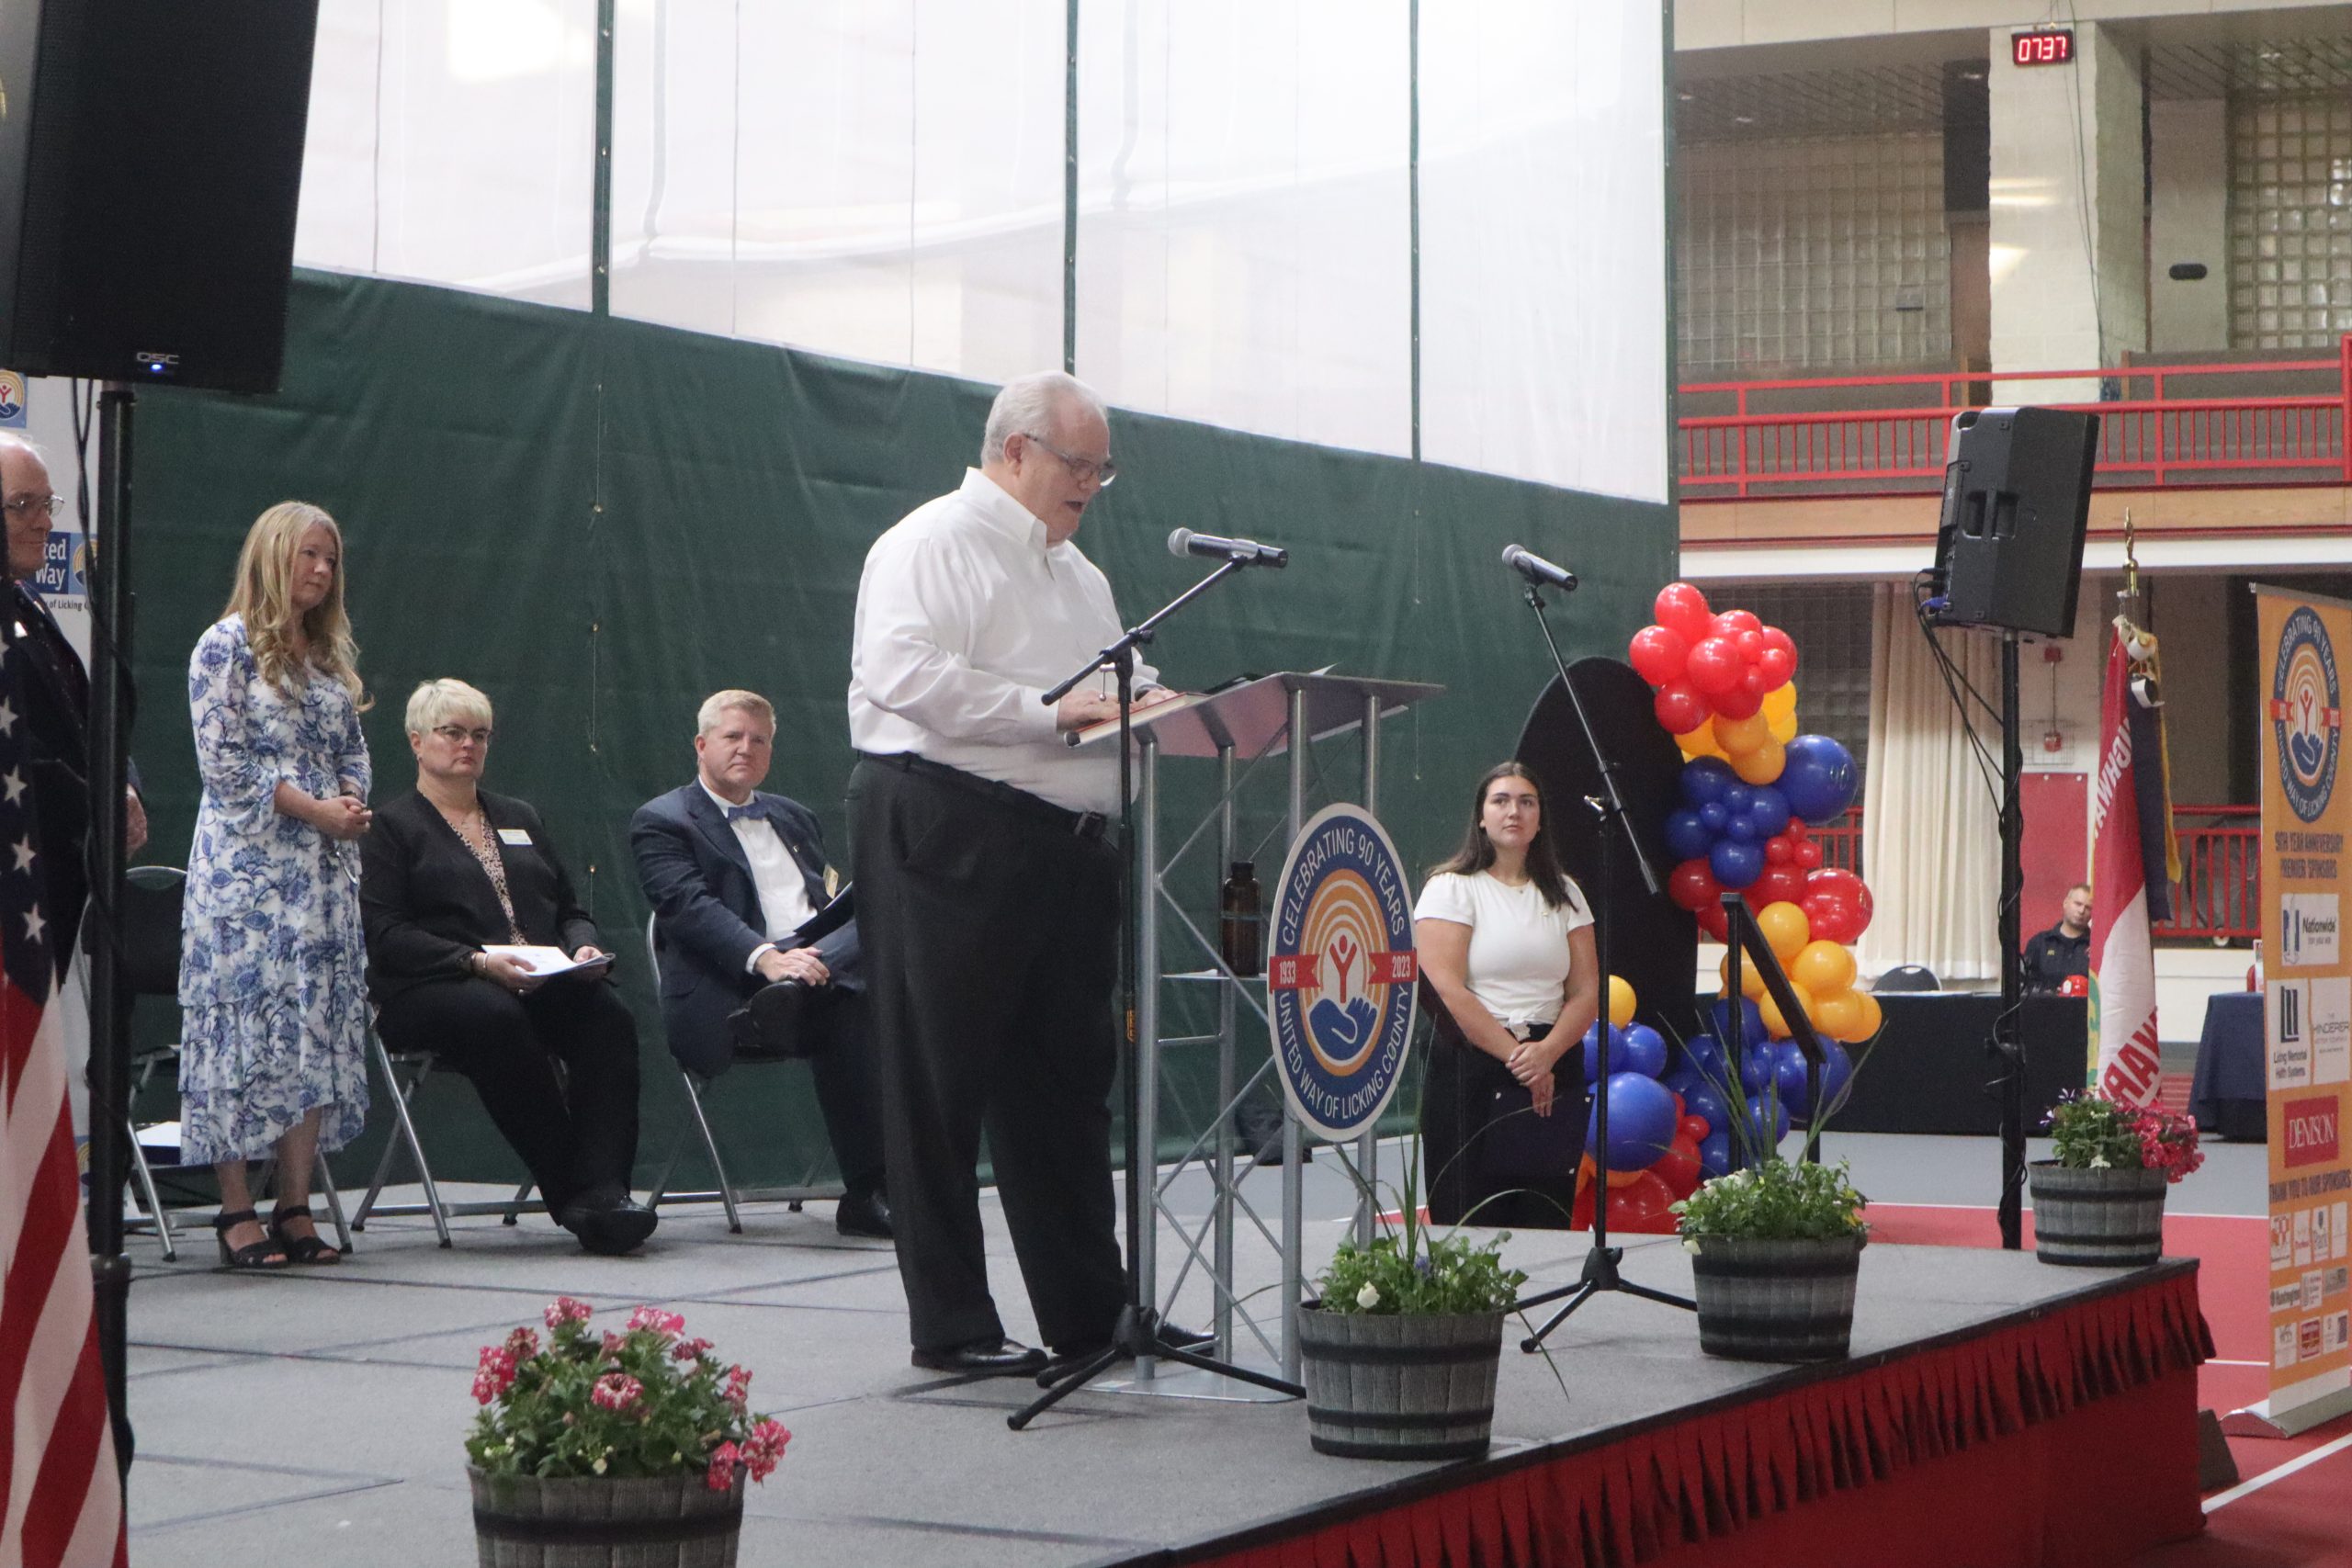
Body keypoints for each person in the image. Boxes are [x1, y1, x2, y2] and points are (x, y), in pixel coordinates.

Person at [847, 369, 1205, 1379]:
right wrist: (1048, 713)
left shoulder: (1081, 577)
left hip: (1070, 849)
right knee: (938, 1081)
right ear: (1014, 451)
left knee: (1065, 1088)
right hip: (950, 826)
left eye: (1103, 468)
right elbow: (899, 675)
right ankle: (952, 1324)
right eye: (1078, 463)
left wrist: (1159, 708)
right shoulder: (929, 542)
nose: (1091, 483)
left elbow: (1107, 693)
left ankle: (1090, 1314)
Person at [359, 679, 656, 1256]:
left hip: (537, 979)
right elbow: (386, 935)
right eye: (452, 732)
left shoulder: (519, 817)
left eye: (480, 734)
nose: (468, 744)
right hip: (435, 985)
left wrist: (583, 947)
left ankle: (608, 1190)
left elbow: (570, 911)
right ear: (417, 741)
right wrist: (475, 960)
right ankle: (575, 1194)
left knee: (606, 1016)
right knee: (493, 1017)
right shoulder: (391, 828)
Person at [178, 502, 373, 1269]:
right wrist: (314, 809)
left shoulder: (325, 658)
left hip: (321, 879)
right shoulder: (223, 647)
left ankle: (295, 1203)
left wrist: (349, 799)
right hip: (246, 881)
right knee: (241, 1030)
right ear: (272, 557)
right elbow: (224, 765)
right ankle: (235, 1208)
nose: (321, 570)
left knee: (311, 1030)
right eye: (308, 555)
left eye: (331, 558)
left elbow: (353, 747)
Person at [630, 688, 890, 1239]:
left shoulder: (795, 817)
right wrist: (769, 960)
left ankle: (876, 1193)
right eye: (733, 737)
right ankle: (871, 1193)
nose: (746, 748)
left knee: (884, 903)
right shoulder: (662, 820)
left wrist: (808, 959)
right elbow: (688, 907)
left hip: (814, 973)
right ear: (701, 745)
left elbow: (825, 905)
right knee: (854, 1006)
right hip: (735, 992)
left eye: (759, 740)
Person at [1413, 761, 1601, 1229]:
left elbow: (1585, 991)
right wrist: (1520, 1059)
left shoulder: (1567, 893)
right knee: (1470, 1222)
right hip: (1471, 1063)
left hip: (1554, 1063)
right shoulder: (1450, 887)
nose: (1513, 811)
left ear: (1540, 819)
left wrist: (1547, 1054)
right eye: (1500, 801)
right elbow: (1444, 989)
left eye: (1526, 802)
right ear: (1481, 817)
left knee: (1545, 1216)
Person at [2, 433, 148, 972]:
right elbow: (19, 751)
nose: (43, 522)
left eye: (47, 504)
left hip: (56, 887)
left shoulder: (30, 603)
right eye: (23, 505)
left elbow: (90, 721)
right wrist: (101, 807)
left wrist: (125, 787)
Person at [2022, 882, 2093, 995]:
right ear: (2065, 903)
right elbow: (2023, 984)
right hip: (2045, 1005)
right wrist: (2050, 992)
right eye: (2078, 904)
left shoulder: (2097, 947)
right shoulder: (2040, 943)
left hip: (2083, 1006)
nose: (2081, 911)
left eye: (2088, 908)